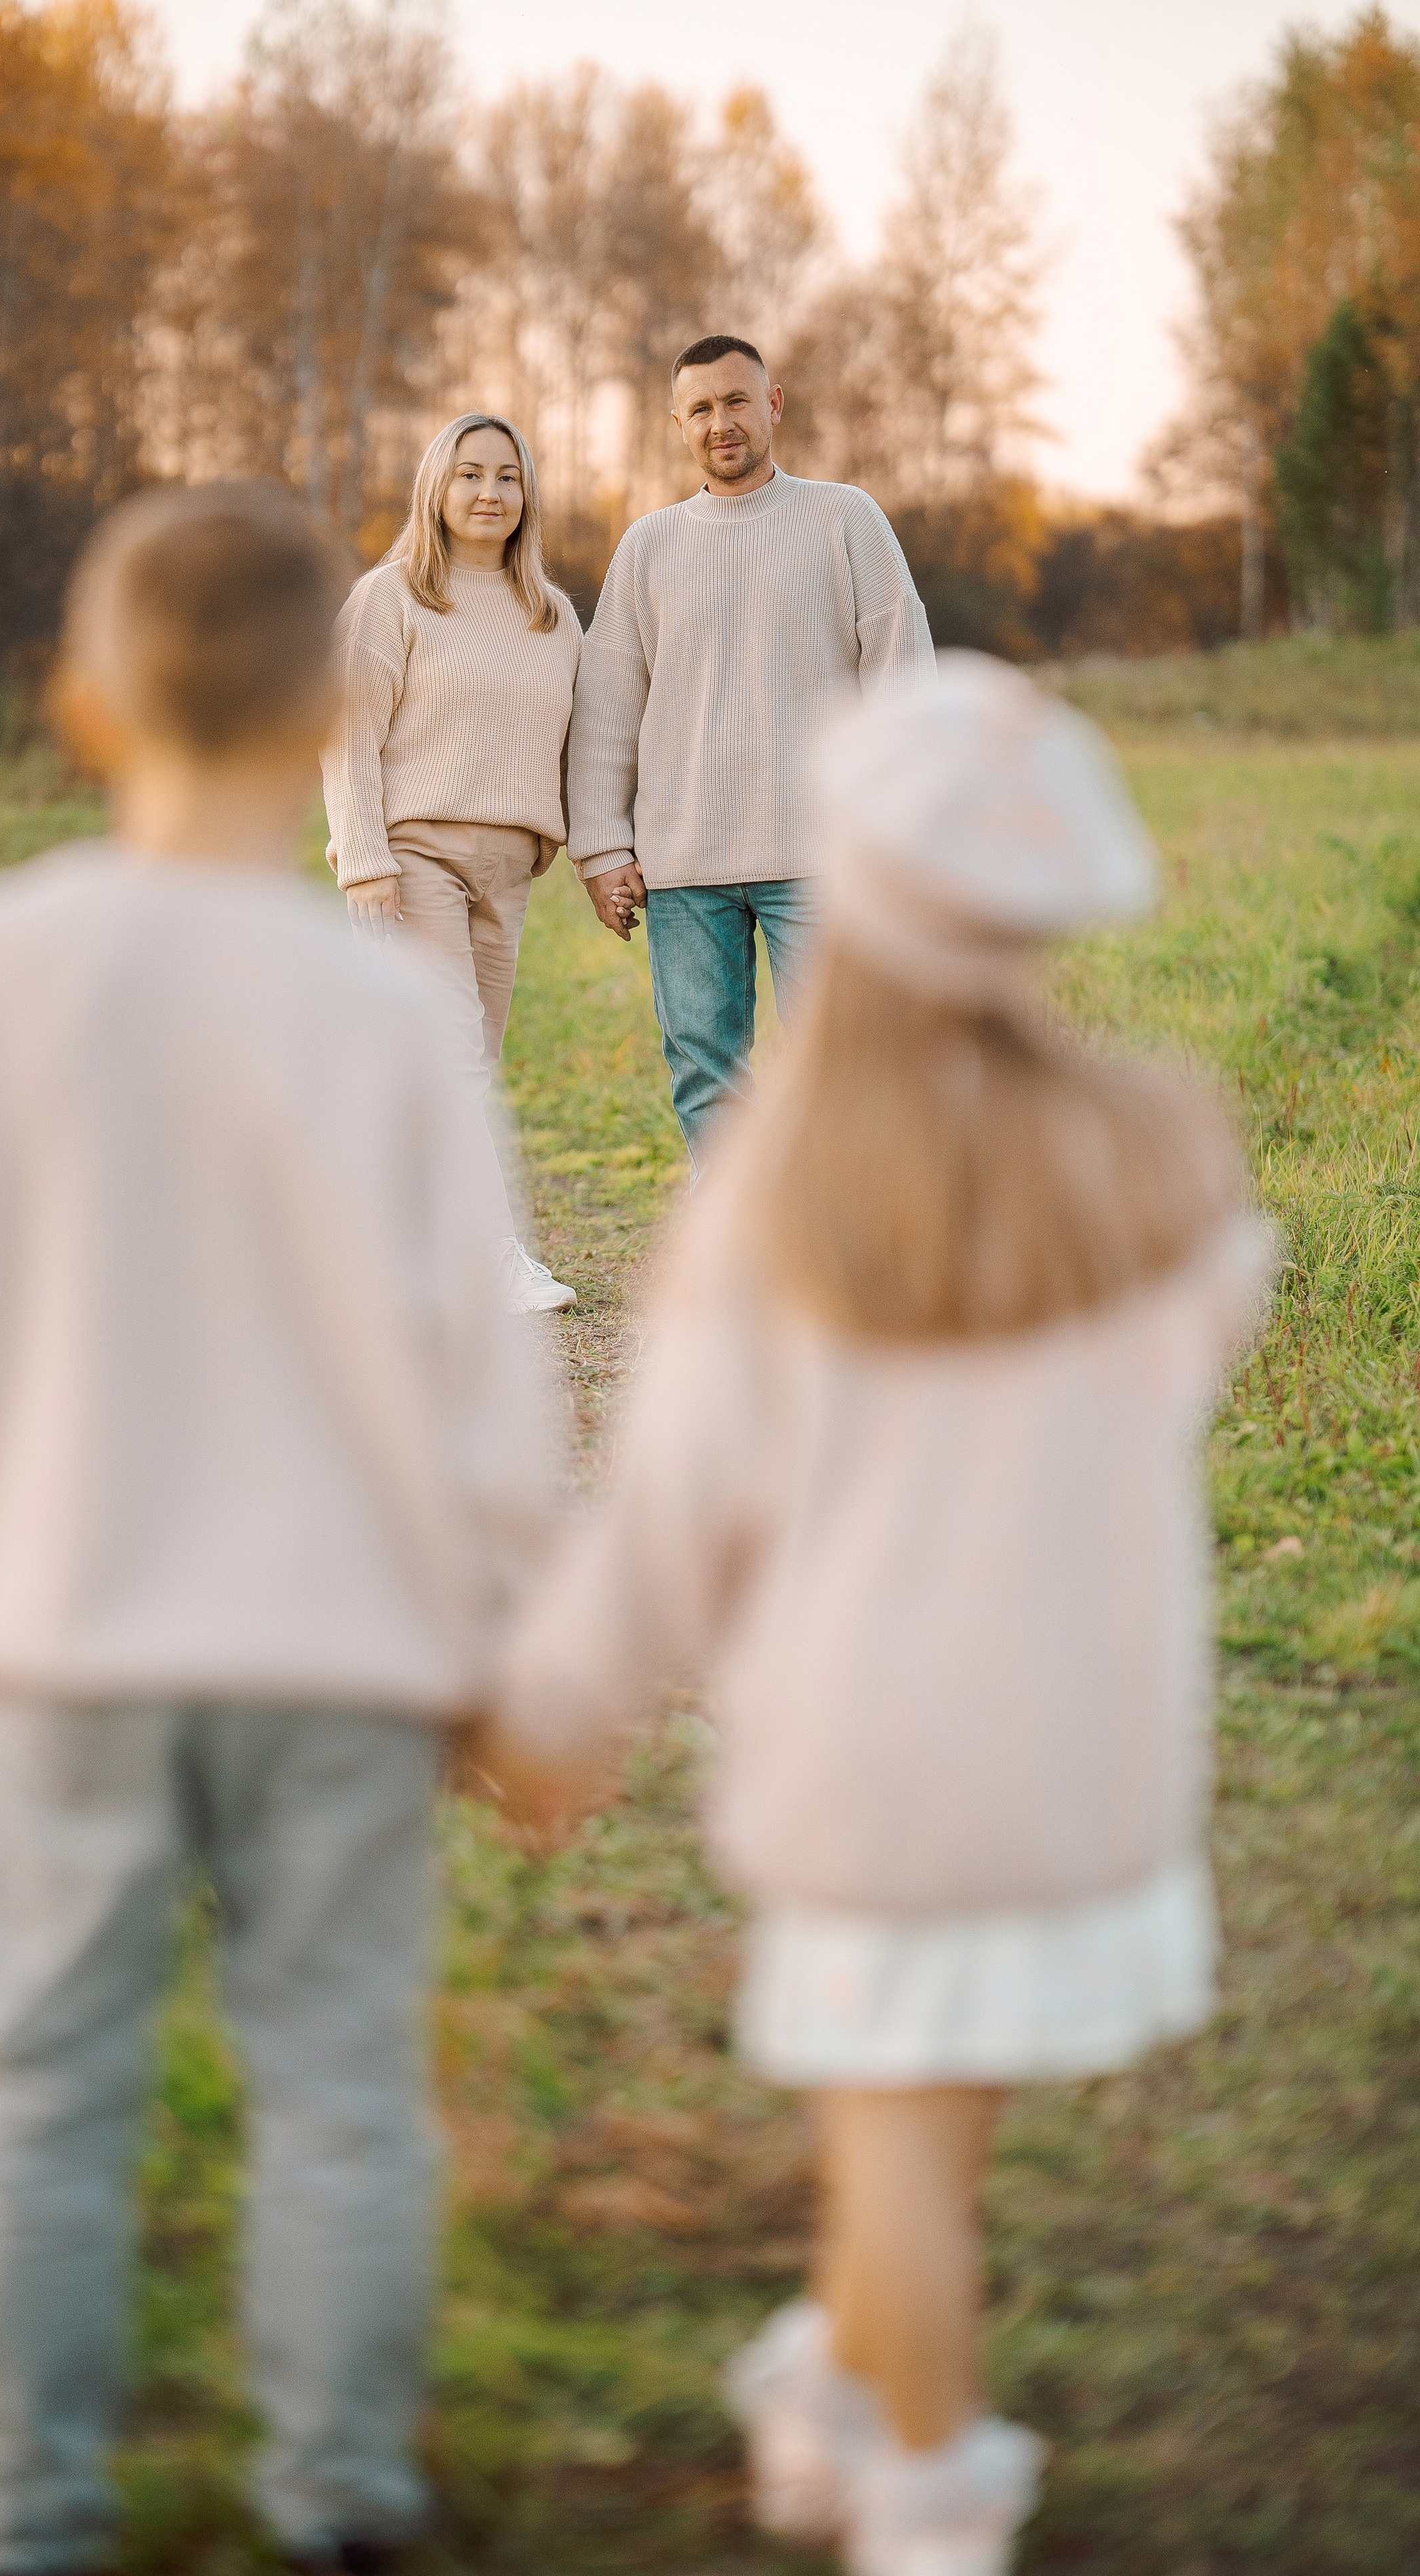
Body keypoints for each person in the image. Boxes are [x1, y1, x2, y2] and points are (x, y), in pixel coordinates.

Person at [486, 657, 1275, 2576]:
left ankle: (923, 2500)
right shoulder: (1153, 1159)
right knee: (930, 2134)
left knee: (897, 2154)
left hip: (874, 1775)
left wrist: (562, 1700)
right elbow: (1205, 1332)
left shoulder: (784, 1192)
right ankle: (835, 2384)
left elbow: (669, 1511)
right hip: (1078, 1755)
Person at [0, 482, 557, 2576]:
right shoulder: (391, 1014)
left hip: (66, 1617)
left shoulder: (0, 957)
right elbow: (478, 1346)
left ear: (82, 701)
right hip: (346, 1643)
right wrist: (494, 1617)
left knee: (45, 2082)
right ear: (340, 691)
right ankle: (340, 2489)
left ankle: (18, 2504)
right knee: (341, 2073)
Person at [567, 332, 936, 1170]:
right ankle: (739, 1263)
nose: (719, 421)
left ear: (773, 403)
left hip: (822, 857)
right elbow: (605, 709)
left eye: (736, 400)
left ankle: (844, 1264)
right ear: (677, 423)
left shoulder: (845, 518)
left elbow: (903, 680)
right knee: (704, 1074)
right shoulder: (648, 546)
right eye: (699, 408)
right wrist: (599, 847)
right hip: (684, 861)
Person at [323, 410, 582, 1313]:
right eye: (469, 473)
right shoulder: (391, 598)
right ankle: (494, 1258)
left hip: (509, 866)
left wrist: (599, 852)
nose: (489, 492)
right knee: (454, 1055)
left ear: (526, 495)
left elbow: (580, 749)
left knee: (458, 1064)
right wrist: (364, 860)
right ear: (437, 486)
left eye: (507, 476)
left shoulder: (553, 616)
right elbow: (348, 734)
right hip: (414, 854)